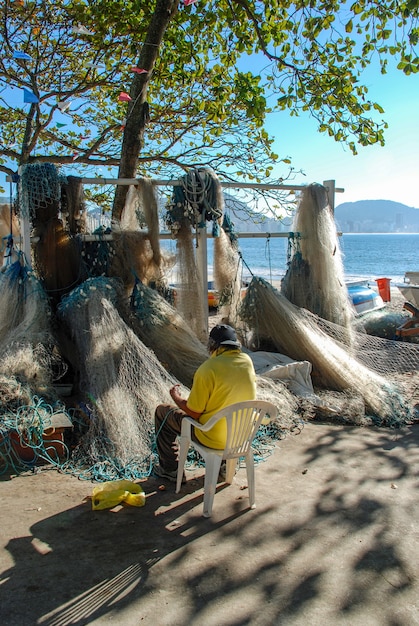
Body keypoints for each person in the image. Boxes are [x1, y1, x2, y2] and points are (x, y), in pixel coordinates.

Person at [154, 324, 257, 482]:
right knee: (223, 411)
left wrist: (176, 397)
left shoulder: (208, 369)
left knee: (163, 411)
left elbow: (194, 412)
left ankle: (170, 470)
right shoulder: (247, 361)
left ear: (213, 345)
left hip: (212, 438)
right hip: (240, 437)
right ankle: (224, 467)